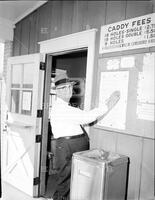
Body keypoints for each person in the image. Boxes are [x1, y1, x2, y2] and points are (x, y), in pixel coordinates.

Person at [49, 72, 120, 200]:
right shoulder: (62, 108)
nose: (68, 90)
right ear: (57, 92)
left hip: (70, 147)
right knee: (65, 183)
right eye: (63, 88)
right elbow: (87, 117)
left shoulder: (66, 107)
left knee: (72, 181)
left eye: (70, 87)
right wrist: (109, 104)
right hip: (67, 148)